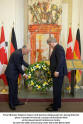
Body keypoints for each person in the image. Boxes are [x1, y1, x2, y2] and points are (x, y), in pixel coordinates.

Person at [5, 45, 30, 110]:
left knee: (15, 89)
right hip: (11, 74)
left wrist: (30, 66)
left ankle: (16, 102)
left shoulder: (20, 53)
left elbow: (22, 62)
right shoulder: (17, 54)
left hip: (14, 74)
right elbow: (18, 66)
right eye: (27, 51)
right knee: (12, 89)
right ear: (24, 49)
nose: (28, 53)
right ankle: (11, 104)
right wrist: (24, 74)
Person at [46, 37, 67, 111]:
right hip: (57, 72)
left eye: (49, 44)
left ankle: (55, 107)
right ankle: (57, 104)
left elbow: (61, 60)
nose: (49, 46)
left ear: (51, 42)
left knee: (56, 90)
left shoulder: (58, 48)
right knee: (57, 89)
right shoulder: (56, 48)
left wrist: (57, 70)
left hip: (58, 73)